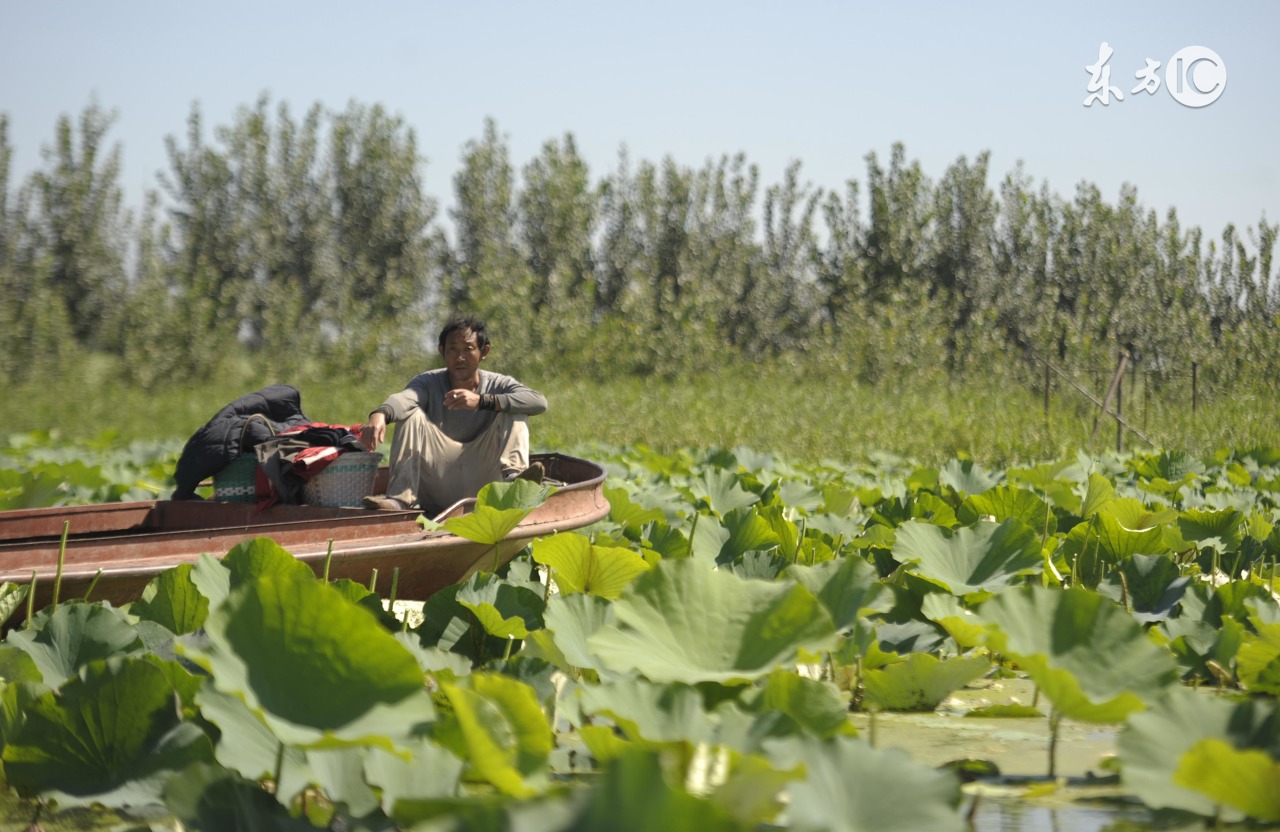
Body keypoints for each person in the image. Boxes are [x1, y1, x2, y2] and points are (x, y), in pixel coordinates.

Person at [359, 315, 548, 513]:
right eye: (452, 350)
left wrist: (483, 401)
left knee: (513, 408)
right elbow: (406, 398)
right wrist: (381, 413)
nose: (460, 358)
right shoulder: (428, 382)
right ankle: (399, 499)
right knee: (410, 415)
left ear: (484, 351)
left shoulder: (498, 383)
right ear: (442, 351)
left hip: (486, 479)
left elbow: (538, 401)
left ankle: (514, 483)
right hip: (438, 481)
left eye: (468, 349)